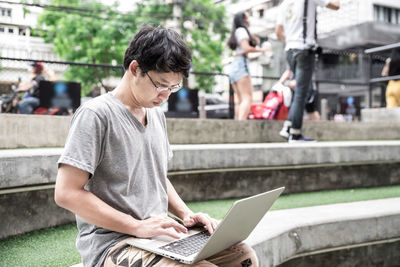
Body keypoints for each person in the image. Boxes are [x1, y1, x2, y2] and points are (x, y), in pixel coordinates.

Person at [54, 26, 258, 267]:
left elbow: (156, 176)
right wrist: (136, 227)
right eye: (161, 84)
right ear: (135, 69)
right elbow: (66, 193)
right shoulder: (96, 114)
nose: (165, 96)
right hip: (114, 244)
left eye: (173, 87)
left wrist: (186, 214)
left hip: (158, 236)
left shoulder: (156, 115)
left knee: (242, 255)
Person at [276, 0, 339, 142]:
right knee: (301, 93)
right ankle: (295, 133)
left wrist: (291, 43)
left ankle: (288, 126)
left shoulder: (285, 4)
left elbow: (278, 31)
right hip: (304, 50)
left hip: (290, 51)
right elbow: (336, 5)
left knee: (303, 90)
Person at [227, 12, 271, 120]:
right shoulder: (242, 31)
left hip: (234, 65)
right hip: (241, 64)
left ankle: (238, 124)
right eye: (247, 18)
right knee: (247, 98)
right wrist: (263, 49)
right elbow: (246, 48)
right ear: (243, 20)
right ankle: (241, 125)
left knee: (241, 100)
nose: (249, 20)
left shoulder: (237, 32)